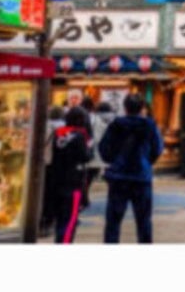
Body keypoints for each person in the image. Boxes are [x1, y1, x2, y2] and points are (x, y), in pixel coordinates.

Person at [98, 91, 161, 244]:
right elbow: (157, 149)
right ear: (142, 108)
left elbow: (104, 148)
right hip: (141, 176)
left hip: (119, 177)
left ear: (125, 107)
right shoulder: (149, 125)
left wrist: (114, 160)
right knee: (144, 221)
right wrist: (147, 162)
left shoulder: (116, 125)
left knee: (113, 221)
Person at [42, 96, 96, 244]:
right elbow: (85, 157)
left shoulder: (58, 133)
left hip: (56, 180)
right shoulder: (79, 136)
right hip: (73, 183)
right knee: (70, 220)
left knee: (60, 217)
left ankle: (59, 240)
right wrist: (90, 148)